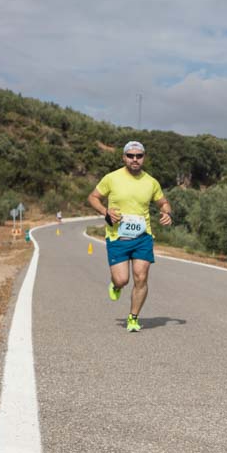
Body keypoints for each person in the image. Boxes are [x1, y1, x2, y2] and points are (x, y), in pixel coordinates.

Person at [86, 141, 173, 332]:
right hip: (117, 237)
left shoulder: (151, 182)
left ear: (144, 158)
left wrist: (167, 213)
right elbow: (93, 197)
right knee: (122, 280)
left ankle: (133, 318)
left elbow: (163, 203)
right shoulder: (111, 178)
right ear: (124, 157)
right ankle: (116, 285)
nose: (135, 159)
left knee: (141, 278)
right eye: (131, 156)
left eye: (139, 156)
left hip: (143, 237)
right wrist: (105, 211)